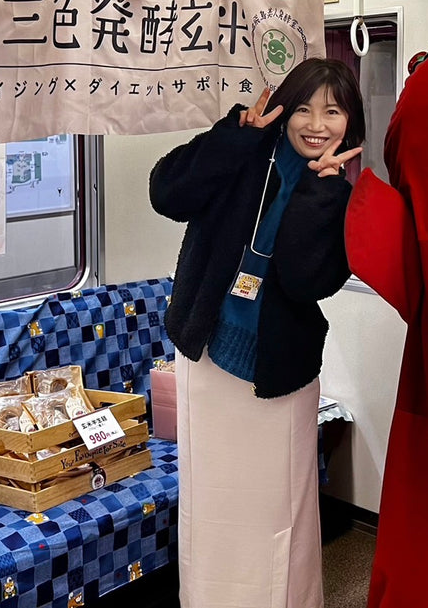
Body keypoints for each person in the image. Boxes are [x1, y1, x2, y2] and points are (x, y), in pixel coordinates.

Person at [149, 58, 365, 608]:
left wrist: (322, 196)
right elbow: (166, 192)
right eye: (303, 109)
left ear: (351, 123)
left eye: (332, 111)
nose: (316, 124)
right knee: (212, 504)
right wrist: (235, 134)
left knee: (276, 509)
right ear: (283, 112)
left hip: (278, 372)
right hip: (207, 357)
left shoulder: (341, 196)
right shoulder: (245, 155)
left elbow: (303, 279)